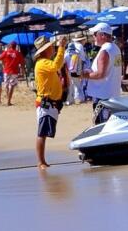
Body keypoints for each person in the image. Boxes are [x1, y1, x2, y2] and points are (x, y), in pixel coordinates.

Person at [33, 36, 69, 169]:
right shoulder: (43, 63)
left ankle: (42, 161)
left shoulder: (45, 62)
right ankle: (40, 161)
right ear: (46, 50)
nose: (53, 48)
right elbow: (56, 65)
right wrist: (61, 47)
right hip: (46, 103)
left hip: (51, 103)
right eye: (51, 47)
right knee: (42, 133)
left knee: (44, 133)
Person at [80, 23, 123, 124]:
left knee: (101, 126)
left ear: (102, 35)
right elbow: (108, 70)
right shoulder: (115, 48)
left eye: (95, 34)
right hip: (112, 94)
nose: (93, 37)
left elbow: (101, 74)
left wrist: (84, 75)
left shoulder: (105, 50)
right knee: (110, 125)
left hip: (103, 97)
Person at [0, 41, 24, 106]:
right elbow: (22, 63)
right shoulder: (18, 53)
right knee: (12, 86)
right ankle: (8, 101)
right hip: (14, 72)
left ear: (10, 46)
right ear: (16, 46)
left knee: (6, 85)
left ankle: (8, 99)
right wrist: (22, 71)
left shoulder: (6, 52)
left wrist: (1, 59)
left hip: (6, 71)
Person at [66, 39, 89, 105]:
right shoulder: (77, 54)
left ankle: (70, 100)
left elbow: (63, 63)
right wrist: (80, 72)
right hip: (76, 72)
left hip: (68, 72)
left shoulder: (66, 54)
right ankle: (80, 98)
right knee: (78, 86)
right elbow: (80, 64)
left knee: (70, 86)